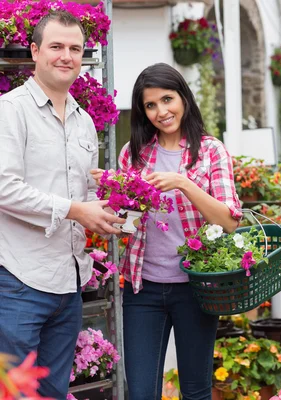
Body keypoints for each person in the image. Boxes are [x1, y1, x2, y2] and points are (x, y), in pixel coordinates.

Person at [92, 63, 241, 400]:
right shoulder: (134, 154)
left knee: (195, 390)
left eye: (167, 99)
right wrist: (111, 194)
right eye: (150, 105)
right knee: (141, 392)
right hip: (143, 289)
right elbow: (126, 225)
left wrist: (183, 183)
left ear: (183, 98)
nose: (161, 111)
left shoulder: (209, 151)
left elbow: (229, 221)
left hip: (196, 288)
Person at [0, 11, 125, 399]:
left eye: (75, 48)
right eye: (56, 47)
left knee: (53, 393)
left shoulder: (85, 121)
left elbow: (81, 195)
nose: (66, 56)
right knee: (15, 394)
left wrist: (107, 213)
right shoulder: (10, 110)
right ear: (35, 51)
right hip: (19, 279)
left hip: (68, 282)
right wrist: (76, 210)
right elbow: (4, 187)